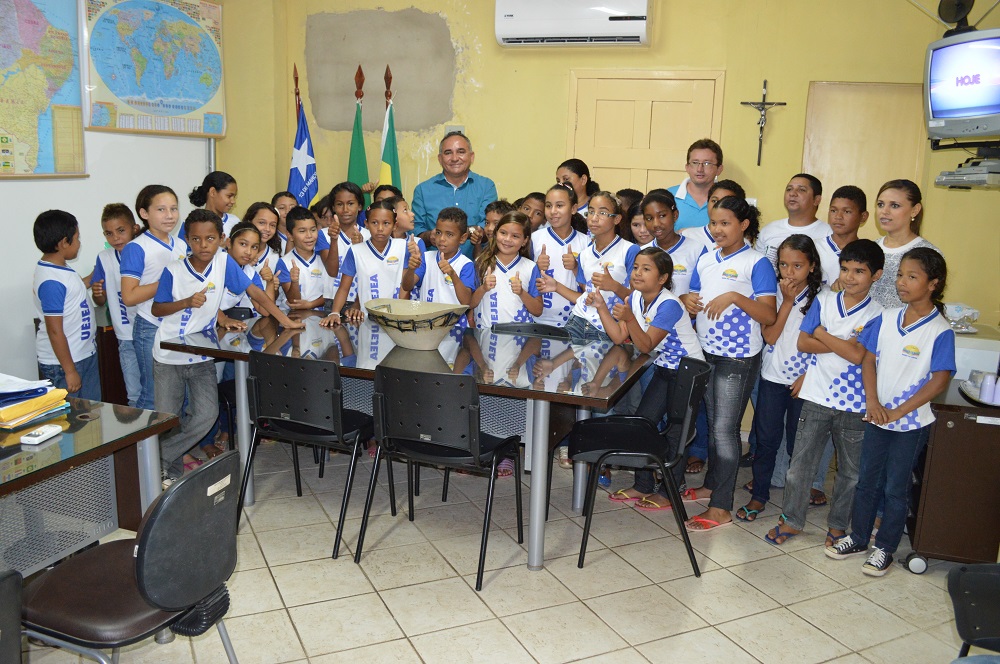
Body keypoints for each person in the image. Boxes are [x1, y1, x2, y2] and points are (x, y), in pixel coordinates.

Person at [827, 247, 954, 576]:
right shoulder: (885, 319)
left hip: (910, 425)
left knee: (895, 489)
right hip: (876, 417)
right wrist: (872, 402)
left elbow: (940, 379)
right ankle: (858, 538)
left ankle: (885, 548)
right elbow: (868, 359)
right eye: (900, 275)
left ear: (933, 284)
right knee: (866, 481)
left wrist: (898, 412)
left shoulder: (940, 330)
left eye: (912, 277)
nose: (902, 282)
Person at [151, 210, 301, 486]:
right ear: (187, 240)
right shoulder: (173, 270)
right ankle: (166, 471)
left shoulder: (223, 261)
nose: (203, 245)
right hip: (169, 355)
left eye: (210, 238)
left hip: (201, 354)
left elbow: (256, 293)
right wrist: (185, 302)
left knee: (207, 415)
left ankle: (157, 459)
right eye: (196, 239)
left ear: (221, 238)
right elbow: (157, 308)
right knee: (168, 420)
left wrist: (285, 321)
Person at [765, 239, 884, 546]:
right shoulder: (825, 299)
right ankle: (792, 520)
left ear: (876, 275)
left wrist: (820, 332)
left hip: (855, 404)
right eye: (845, 269)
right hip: (816, 396)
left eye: (859, 271)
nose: (849, 277)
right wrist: (839, 341)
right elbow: (803, 343)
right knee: (799, 467)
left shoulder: (878, 314)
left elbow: (857, 356)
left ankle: (837, 525)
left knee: (850, 473)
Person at [681, 196, 777, 532]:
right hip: (706, 352)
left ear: (744, 225)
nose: (717, 229)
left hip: (737, 357)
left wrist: (736, 297)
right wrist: (688, 301)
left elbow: (769, 315)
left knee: (725, 430)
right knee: (713, 424)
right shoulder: (707, 259)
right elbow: (693, 299)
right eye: (714, 223)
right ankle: (711, 486)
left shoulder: (757, 263)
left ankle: (721, 507)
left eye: (725, 223)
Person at [596, 247, 705, 509]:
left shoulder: (669, 305)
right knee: (643, 423)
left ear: (662, 278)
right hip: (665, 368)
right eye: (635, 267)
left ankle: (670, 492)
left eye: (646, 269)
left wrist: (630, 318)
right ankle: (643, 485)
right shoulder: (635, 297)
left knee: (677, 433)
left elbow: (645, 345)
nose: (637, 273)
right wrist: (601, 307)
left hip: (689, 371)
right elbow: (619, 337)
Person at [736, 235, 821, 522]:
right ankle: (759, 496)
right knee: (766, 441)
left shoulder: (822, 299)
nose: (789, 272)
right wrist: (786, 303)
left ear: (811, 266)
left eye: (797, 265)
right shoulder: (771, 295)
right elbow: (770, 336)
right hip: (772, 378)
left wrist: (808, 376)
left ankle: (794, 506)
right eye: (783, 265)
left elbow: (827, 347)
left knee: (800, 446)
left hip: (805, 384)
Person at [538, 191, 640, 343]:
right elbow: (586, 296)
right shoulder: (585, 254)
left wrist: (614, 286)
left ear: (617, 219)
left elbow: (639, 299)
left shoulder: (630, 250)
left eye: (602, 213)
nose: (594, 218)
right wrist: (556, 286)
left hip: (609, 328)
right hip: (578, 322)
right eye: (591, 212)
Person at [120, 185, 187, 410]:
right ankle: (143, 435)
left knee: (179, 395)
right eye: (161, 209)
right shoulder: (136, 247)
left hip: (177, 326)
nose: (169, 215)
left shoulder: (180, 244)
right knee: (153, 395)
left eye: (174, 209)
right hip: (150, 327)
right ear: (144, 213)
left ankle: (172, 435)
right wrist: (166, 282)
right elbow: (129, 296)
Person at [32, 210, 101, 400]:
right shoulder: (51, 281)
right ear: (64, 242)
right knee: (71, 417)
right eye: (77, 238)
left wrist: (93, 276)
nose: (79, 243)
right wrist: (69, 371)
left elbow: (73, 291)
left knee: (91, 413)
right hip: (65, 364)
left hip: (82, 355)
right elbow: (55, 331)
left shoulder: (59, 268)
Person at [322, 199, 413, 326]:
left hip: (396, 318)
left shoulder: (403, 247)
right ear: (366, 224)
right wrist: (335, 312)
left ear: (395, 225)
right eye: (374, 223)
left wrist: (400, 313)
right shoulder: (355, 250)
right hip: (367, 320)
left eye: (386, 223)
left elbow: (405, 286)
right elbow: (343, 288)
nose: (380, 228)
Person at [412, 131, 498, 257]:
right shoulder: (423, 190)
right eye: (448, 153)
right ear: (440, 159)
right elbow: (415, 231)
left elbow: (489, 229)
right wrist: (430, 236)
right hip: (435, 264)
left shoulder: (486, 186)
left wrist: (451, 232)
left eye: (461, 152)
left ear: (471, 156)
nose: (454, 158)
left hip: (477, 263)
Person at [90, 204, 142, 405]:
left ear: (134, 228)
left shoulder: (144, 252)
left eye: (121, 230)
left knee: (157, 389)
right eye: (109, 233)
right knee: (133, 392)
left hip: (151, 334)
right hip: (125, 336)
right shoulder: (104, 258)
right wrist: (98, 293)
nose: (116, 238)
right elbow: (100, 300)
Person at [869, 179, 942, 309]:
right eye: (880, 204)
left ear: (915, 210)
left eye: (894, 205)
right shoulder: (869, 249)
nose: (884, 211)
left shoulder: (928, 253)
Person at [469, 210, 543, 330]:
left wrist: (521, 292)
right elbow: (469, 304)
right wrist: (483, 288)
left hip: (520, 336)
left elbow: (538, 311)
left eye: (515, 236)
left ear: (524, 240)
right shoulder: (480, 263)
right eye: (503, 233)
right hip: (485, 334)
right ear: (496, 233)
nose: (507, 239)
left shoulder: (531, 267)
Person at [531, 184, 589, 326]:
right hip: (538, 320)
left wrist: (576, 267)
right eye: (548, 206)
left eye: (559, 206)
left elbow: (590, 289)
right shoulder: (534, 238)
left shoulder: (586, 243)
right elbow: (521, 280)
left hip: (575, 321)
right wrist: (535, 267)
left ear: (573, 209)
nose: (553, 211)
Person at [400, 206, 474, 307]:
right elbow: (406, 287)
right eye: (438, 232)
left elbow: (466, 301)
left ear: (462, 238)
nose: (442, 238)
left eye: (449, 234)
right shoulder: (426, 258)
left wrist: (452, 274)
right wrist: (411, 269)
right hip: (426, 317)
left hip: (453, 318)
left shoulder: (466, 264)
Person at [756, 173, 831, 270]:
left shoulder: (829, 234)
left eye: (801, 190)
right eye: (789, 189)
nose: (792, 194)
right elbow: (756, 268)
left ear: (816, 200)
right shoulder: (769, 230)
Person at [639, 189, 705, 297]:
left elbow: (700, 294)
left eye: (662, 216)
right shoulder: (642, 252)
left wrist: (682, 301)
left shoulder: (697, 250)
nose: (656, 224)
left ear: (675, 215)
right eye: (649, 218)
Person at [276, 206, 328, 311]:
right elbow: (293, 301)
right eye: (302, 231)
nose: (309, 235)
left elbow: (332, 293)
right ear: (290, 235)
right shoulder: (284, 262)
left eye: (313, 230)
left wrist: (311, 304)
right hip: (294, 316)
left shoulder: (324, 258)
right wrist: (294, 281)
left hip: (321, 316)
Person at [818, 185, 869, 288]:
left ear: (863, 217)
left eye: (847, 212)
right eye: (833, 210)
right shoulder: (814, 247)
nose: (838, 217)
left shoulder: (868, 253)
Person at [670, 139, 724, 231]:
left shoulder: (727, 198)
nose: (700, 169)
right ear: (687, 167)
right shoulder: (668, 196)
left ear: (719, 169)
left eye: (707, 163)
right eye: (695, 163)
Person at [682, 179, 745, 252]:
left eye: (726, 202)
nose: (718, 205)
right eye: (714, 201)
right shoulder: (688, 236)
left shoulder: (742, 243)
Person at [243, 202, 282, 306]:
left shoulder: (274, 256)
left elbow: (274, 298)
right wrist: (246, 267)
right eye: (262, 223)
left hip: (261, 312)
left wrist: (272, 285)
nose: (267, 229)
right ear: (249, 221)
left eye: (272, 225)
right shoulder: (234, 251)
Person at [182, 171, 239, 240]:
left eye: (234, 197)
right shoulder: (191, 223)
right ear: (213, 192)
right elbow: (182, 246)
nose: (233, 201)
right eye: (229, 196)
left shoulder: (235, 222)